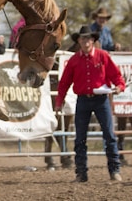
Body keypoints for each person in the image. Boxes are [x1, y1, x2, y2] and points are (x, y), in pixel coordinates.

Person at [55, 25, 125, 183]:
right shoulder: (74, 60)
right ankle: (81, 173)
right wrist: (59, 102)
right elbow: (64, 83)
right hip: (83, 99)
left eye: (88, 38)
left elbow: (116, 76)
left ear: (93, 40)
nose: (85, 41)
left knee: (109, 135)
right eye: (82, 38)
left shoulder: (103, 56)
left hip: (101, 100)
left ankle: (114, 170)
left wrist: (119, 87)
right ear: (79, 41)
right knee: (80, 137)